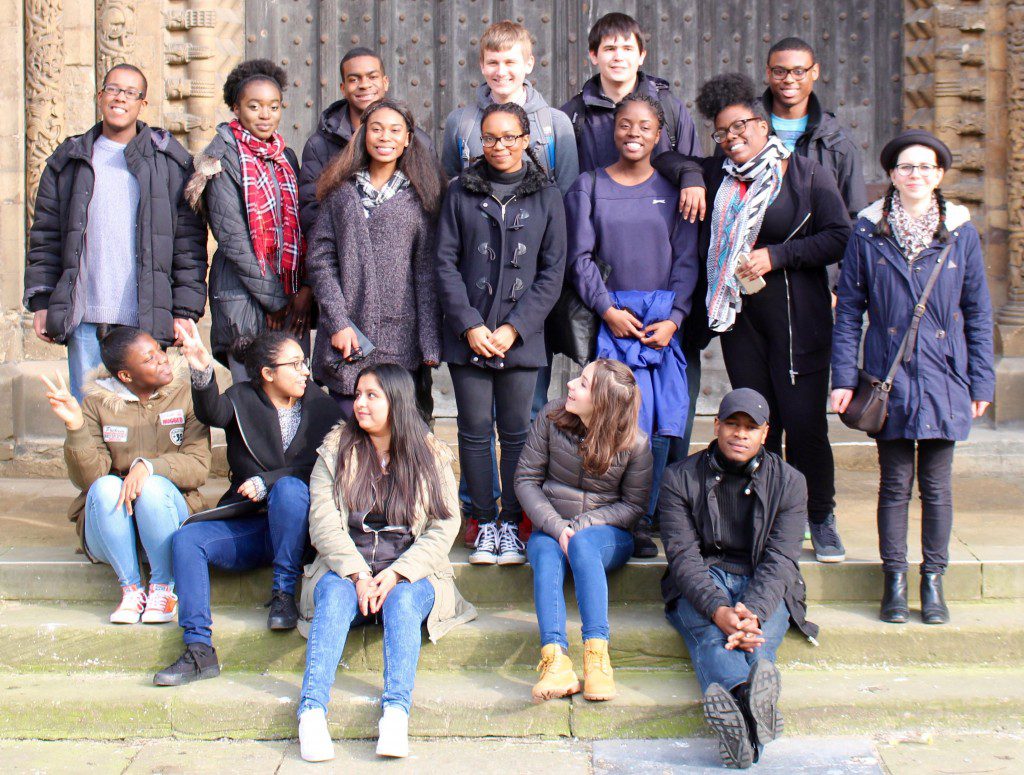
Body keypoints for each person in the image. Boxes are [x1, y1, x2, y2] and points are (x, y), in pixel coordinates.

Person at [654, 73, 851, 563]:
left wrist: (776, 256)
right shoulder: (719, 175)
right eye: (722, 132)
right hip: (741, 322)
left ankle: (820, 516)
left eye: (741, 126)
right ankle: (767, 513)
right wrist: (696, 175)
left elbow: (839, 236)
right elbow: (665, 157)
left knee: (804, 423)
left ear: (763, 126)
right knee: (758, 420)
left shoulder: (804, 175)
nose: (732, 137)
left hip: (797, 317)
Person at [831, 131, 994, 625]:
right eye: (906, 167)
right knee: (895, 484)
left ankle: (934, 581)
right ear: (892, 175)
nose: (916, 175)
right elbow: (850, 309)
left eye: (926, 167)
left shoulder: (961, 231)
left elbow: (978, 311)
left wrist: (982, 382)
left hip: (944, 375)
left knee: (939, 487)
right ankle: (896, 581)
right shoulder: (869, 229)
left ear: (940, 174)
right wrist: (844, 378)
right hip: (888, 375)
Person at [295, 364, 477, 762]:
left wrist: (395, 573)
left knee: (404, 601)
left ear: (396, 401)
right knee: (335, 596)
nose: (359, 403)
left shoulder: (428, 453)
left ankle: (395, 713)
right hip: (346, 571)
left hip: (409, 572)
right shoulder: (336, 449)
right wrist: (359, 574)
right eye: (358, 394)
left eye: (371, 395)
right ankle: (311, 712)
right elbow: (323, 523)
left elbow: (444, 526)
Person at [153, 323, 342, 686]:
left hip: (302, 531)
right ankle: (199, 650)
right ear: (268, 374)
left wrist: (268, 481)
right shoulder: (242, 398)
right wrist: (200, 367)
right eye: (296, 364)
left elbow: (327, 466)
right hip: (253, 526)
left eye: (305, 363)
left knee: (288, 489)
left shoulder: (321, 405)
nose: (306, 371)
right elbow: (212, 412)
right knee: (186, 540)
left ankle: (283, 594)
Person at [24, 64, 207, 400]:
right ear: (100, 96)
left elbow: (187, 246)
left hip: (146, 319)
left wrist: (184, 310)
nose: (120, 97)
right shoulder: (69, 161)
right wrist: (41, 301)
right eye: (113, 89)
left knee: (142, 424)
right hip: (85, 318)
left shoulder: (169, 163)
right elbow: (46, 236)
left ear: (143, 104)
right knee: (90, 421)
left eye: (131, 92)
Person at [567, 94, 699, 559]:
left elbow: (686, 259)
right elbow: (579, 257)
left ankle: (648, 516)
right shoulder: (589, 186)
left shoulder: (676, 189)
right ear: (613, 130)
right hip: (614, 322)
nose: (633, 133)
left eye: (644, 126)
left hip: (661, 324)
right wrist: (607, 309)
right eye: (625, 125)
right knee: (618, 420)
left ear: (659, 133)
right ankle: (618, 516)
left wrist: (675, 320)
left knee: (661, 423)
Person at [435, 101, 566, 566]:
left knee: (516, 433)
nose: (500, 146)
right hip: (467, 336)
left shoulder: (547, 196)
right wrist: (470, 324)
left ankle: (511, 525)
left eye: (510, 137)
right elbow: (445, 263)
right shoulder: (459, 193)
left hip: (522, 339)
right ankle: (484, 522)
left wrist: (514, 328)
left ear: (526, 140)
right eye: (490, 138)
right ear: (479, 142)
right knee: (472, 432)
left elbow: (552, 273)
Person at [659, 388, 818, 769]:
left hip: (764, 580)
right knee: (719, 637)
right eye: (732, 423)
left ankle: (743, 718)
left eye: (751, 427)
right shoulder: (679, 478)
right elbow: (682, 555)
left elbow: (781, 556)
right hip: (702, 577)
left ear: (765, 433)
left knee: (749, 641)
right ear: (716, 426)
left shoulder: (790, 482)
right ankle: (754, 707)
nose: (740, 434)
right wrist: (717, 609)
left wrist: (755, 612)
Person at [43, 326, 211, 624]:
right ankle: (131, 589)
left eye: (159, 351)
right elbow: (89, 479)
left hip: (168, 515)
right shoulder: (97, 403)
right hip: (111, 529)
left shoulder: (186, 395)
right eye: (149, 359)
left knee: (153, 487)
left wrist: (148, 467)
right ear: (125, 376)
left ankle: (163, 587)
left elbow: (198, 466)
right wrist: (75, 426)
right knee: (106, 486)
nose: (162, 359)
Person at [515, 360, 652, 703]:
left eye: (585, 383)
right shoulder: (551, 417)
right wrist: (557, 526)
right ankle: (555, 660)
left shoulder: (636, 444)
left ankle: (596, 657)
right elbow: (526, 480)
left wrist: (584, 524)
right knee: (546, 555)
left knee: (586, 544)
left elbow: (634, 508)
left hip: (605, 534)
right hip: (550, 525)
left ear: (603, 401)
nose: (572, 385)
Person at [306, 98, 446, 417]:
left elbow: (425, 275)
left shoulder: (420, 198)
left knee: (396, 432)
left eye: (395, 130)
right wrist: (339, 323)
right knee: (349, 428)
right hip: (347, 336)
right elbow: (321, 262)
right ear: (362, 133)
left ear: (408, 138)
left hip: (399, 337)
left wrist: (428, 341)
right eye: (377, 129)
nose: (385, 138)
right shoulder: (340, 192)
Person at [185, 59, 313, 382]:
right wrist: (274, 301)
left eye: (273, 106)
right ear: (236, 107)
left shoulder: (286, 158)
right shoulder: (221, 157)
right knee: (251, 400)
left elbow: (300, 227)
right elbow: (233, 238)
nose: (265, 115)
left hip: (288, 297)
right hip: (243, 298)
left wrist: (299, 292)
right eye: (254, 106)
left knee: (291, 400)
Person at [297, 48, 434, 236]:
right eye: (354, 79)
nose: (364, 85)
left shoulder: (419, 142)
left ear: (385, 82)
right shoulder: (319, 146)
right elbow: (311, 211)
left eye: (372, 77)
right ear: (343, 88)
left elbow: (432, 206)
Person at [440, 20, 578, 196]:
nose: (501, 72)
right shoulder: (460, 122)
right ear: (482, 65)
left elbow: (568, 194)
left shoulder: (556, 124)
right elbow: (449, 189)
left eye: (510, 62)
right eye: (493, 63)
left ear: (529, 64)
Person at [561, 12, 701, 174]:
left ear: (641, 56)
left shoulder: (668, 107)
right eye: (610, 49)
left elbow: (693, 167)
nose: (618, 57)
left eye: (627, 49)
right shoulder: (574, 114)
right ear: (594, 55)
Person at [763, 37, 867, 221]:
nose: (789, 79)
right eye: (779, 71)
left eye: (798, 71)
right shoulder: (743, 129)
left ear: (815, 72)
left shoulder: (838, 142)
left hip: (818, 247)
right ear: (768, 73)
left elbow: (854, 216)